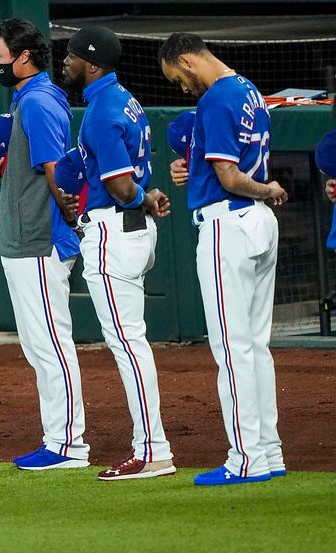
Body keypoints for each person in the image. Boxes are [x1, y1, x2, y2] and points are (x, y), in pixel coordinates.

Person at [160, 32, 288, 485]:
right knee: (255, 347)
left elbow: (230, 176)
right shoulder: (248, 89)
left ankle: (245, 459)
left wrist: (266, 188)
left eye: (177, 77)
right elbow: (224, 162)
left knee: (232, 350)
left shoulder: (215, 99)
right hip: (257, 226)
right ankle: (268, 453)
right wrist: (190, 166)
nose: (181, 87)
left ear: (188, 61)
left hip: (228, 226)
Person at [61, 26, 176, 480]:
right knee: (132, 342)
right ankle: (153, 447)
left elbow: (120, 184)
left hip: (115, 231)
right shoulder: (122, 99)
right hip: (131, 232)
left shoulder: (103, 111)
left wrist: (141, 196)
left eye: (70, 56)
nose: (65, 62)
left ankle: (152, 451)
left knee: (129, 345)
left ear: (90, 63)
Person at [0, 18, 88, 471]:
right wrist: (8, 169)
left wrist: (68, 229)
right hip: (27, 238)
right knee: (39, 345)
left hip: (40, 241)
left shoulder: (39, 102)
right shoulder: (31, 98)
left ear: (24, 58)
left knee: (51, 345)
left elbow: (57, 173)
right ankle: (59, 439)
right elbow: (36, 170)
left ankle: (68, 445)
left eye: (0, 58)